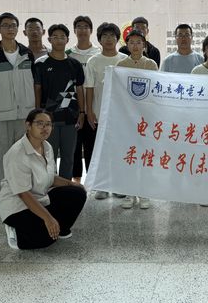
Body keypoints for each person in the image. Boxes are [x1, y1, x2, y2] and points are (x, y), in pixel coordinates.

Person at [0, 109, 88, 250]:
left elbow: (50, 177)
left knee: (77, 193)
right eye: (40, 123)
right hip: (18, 206)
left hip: (41, 198)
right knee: (46, 240)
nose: (45, 128)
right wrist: (48, 218)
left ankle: (60, 229)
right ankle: (16, 233)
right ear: (28, 125)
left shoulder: (47, 146)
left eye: (48, 124)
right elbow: (23, 194)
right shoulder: (17, 153)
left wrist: (71, 183)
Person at [0, 13, 36, 194]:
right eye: (5, 25)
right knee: (0, 155)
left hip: (24, 114)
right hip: (0, 115)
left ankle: (24, 192)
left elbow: (33, 84)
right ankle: (4, 192)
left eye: (13, 25)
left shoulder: (27, 53)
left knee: (24, 154)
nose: (10, 28)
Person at [33, 24, 85, 180]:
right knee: (49, 156)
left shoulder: (75, 64)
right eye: (55, 37)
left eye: (62, 37)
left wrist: (82, 112)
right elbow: (37, 89)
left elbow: (79, 89)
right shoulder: (41, 63)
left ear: (67, 40)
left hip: (70, 117)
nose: (59, 40)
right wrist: (38, 113)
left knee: (69, 156)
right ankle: (50, 186)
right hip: (49, 118)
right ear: (49, 39)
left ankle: (65, 186)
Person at [85, 22, 128, 198]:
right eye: (105, 36)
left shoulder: (125, 60)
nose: (109, 39)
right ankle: (101, 186)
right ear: (99, 40)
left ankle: (118, 185)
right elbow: (89, 88)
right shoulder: (93, 61)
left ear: (117, 39)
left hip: (121, 114)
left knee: (119, 149)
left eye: (112, 36)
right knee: (101, 150)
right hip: (99, 112)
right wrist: (89, 111)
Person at [117, 29, 158, 209]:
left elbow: (155, 90)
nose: (135, 46)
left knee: (145, 155)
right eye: (131, 42)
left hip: (146, 118)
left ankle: (144, 192)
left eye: (138, 42)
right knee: (130, 155)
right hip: (127, 117)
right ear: (127, 45)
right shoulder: (121, 64)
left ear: (144, 45)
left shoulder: (150, 64)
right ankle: (129, 193)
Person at [67, 15, 101, 185]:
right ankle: (76, 181)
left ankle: (93, 180)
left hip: (94, 108)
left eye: (86, 27)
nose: (82, 30)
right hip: (73, 106)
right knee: (74, 145)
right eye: (79, 27)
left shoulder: (99, 53)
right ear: (74, 31)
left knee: (91, 146)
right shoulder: (68, 54)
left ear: (91, 30)